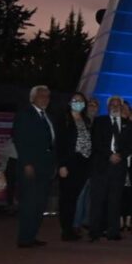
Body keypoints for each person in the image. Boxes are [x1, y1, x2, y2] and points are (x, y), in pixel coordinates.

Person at [12, 85, 57, 248]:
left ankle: (32, 235)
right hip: (30, 167)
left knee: (39, 204)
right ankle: (24, 237)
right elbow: (20, 140)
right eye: (41, 96)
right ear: (33, 98)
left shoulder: (48, 117)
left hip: (45, 167)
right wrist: (27, 163)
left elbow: (51, 144)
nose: (45, 99)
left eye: (47, 96)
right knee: (29, 203)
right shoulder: (25, 115)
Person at [89, 95, 132, 242]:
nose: (115, 107)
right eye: (112, 104)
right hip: (102, 166)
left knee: (115, 201)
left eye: (118, 105)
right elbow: (96, 142)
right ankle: (95, 232)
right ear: (108, 106)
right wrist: (109, 155)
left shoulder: (128, 124)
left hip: (119, 167)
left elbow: (131, 145)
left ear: (122, 107)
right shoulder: (99, 121)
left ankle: (113, 231)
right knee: (98, 200)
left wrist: (120, 155)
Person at [55, 92, 91, 242]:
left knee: (75, 198)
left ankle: (71, 228)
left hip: (83, 162)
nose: (78, 103)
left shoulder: (86, 120)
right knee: (67, 198)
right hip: (70, 162)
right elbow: (60, 144)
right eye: (75, 100)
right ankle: (66, 230)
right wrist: (62, 164)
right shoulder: (64, 119)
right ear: (70, 103)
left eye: (81, 101)